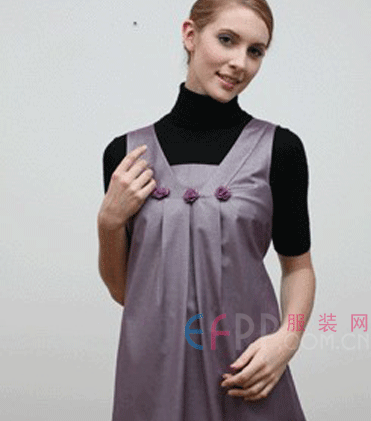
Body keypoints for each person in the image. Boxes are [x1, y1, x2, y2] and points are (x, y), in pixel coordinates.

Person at [97, 0, 316, 419]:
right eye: (227, 40)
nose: (240, 63)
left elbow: (298, 268)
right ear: (190, 35)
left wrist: (286, 341)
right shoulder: (125, 156)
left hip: (246, 369)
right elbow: (127, 292)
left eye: (255, 51)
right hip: (155, 374)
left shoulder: (281, 150)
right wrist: (108, 222)